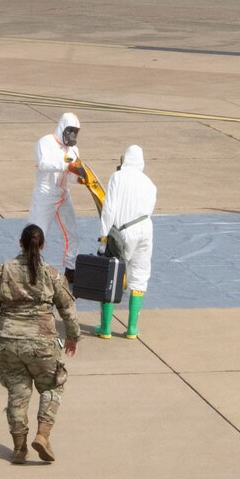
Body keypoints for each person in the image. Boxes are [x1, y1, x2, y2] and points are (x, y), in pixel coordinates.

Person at [0, 223, 78, 465]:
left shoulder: (4, 270)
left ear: (20, 244)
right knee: (53, 387)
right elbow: (67, 308)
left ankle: (19, 447)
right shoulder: (52, 274)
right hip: (42, 343)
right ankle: (43, 435)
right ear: (42, 245)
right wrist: (73, 336)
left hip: (8, 341)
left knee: (17, 392)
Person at [96, 145, 156, 340]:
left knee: (110, 274)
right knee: (139, 275)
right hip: (145, 230)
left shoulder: (118, 177)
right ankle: (132, 328)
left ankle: (105, 328)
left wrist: (103, 237)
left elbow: (109, 208)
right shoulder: (149, 183)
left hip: (122, 232)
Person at [30, 112, 87, 273]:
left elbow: (70, 175)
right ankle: (30, 269)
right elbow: (43, 164)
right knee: (36, 236)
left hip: (63, 196)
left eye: (75, 132)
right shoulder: (45, 142)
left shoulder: (73, 150)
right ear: (62, 127)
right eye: (70, 130)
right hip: (45, 196)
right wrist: (67, 166)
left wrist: (79, 179)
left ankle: (70, 268)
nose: (72, 135)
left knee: (73, 234)